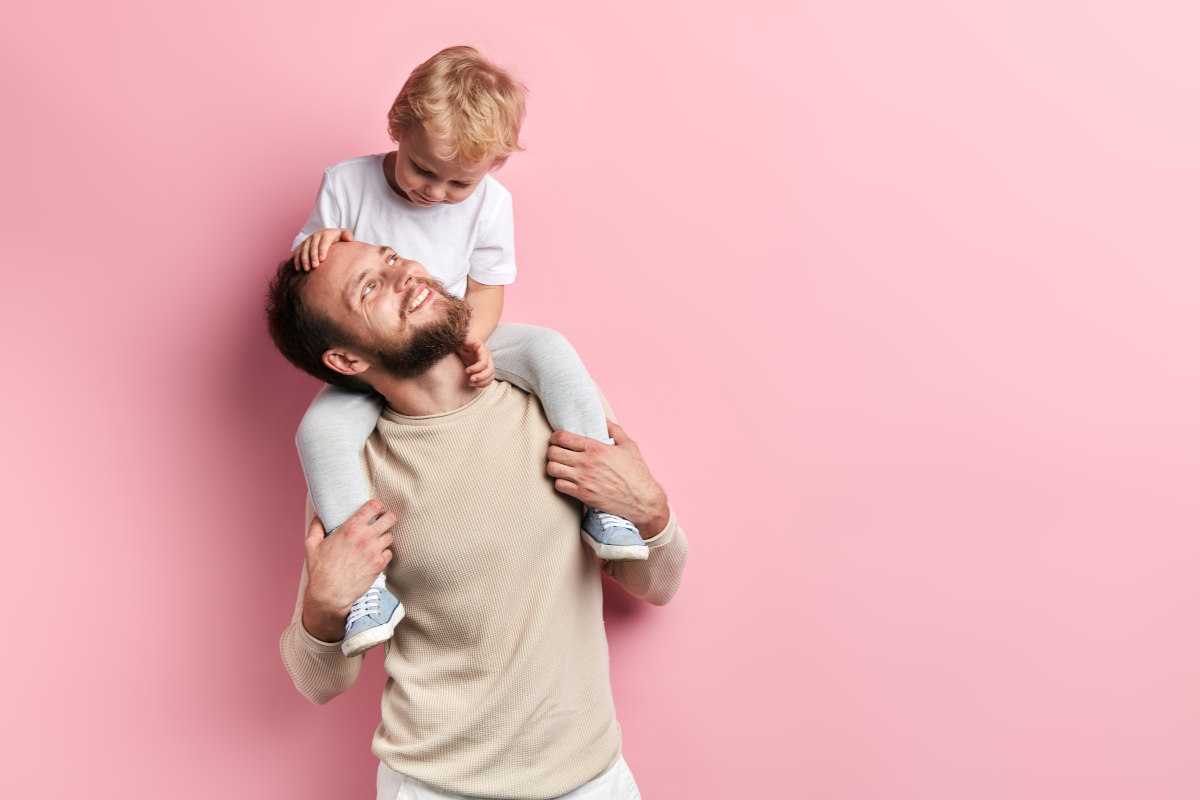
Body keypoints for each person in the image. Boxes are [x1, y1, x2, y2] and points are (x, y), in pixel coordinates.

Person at [266, 241, 688, 800]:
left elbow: (656, 584)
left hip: (592, 780)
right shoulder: (352, 471)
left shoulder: (551, 401)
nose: (405, 276)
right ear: (346, 360)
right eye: (368, 287)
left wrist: (651, 511)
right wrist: (324, 604)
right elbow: (316, 682)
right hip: (436, 787)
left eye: (392, 258)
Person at [290, 45, 647, 658]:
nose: (437, 192)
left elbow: (486, 290)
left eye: (461, 182)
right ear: (397, 129)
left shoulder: (491, 205)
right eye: (424, 171)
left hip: (455, 331)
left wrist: (473, 341)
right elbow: (312, 281)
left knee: (550, 350)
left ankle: (602, 502)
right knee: (319, 431)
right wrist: (316, 241)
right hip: (379, 357)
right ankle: (367, 588)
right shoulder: (346, 183)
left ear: (494, 168)